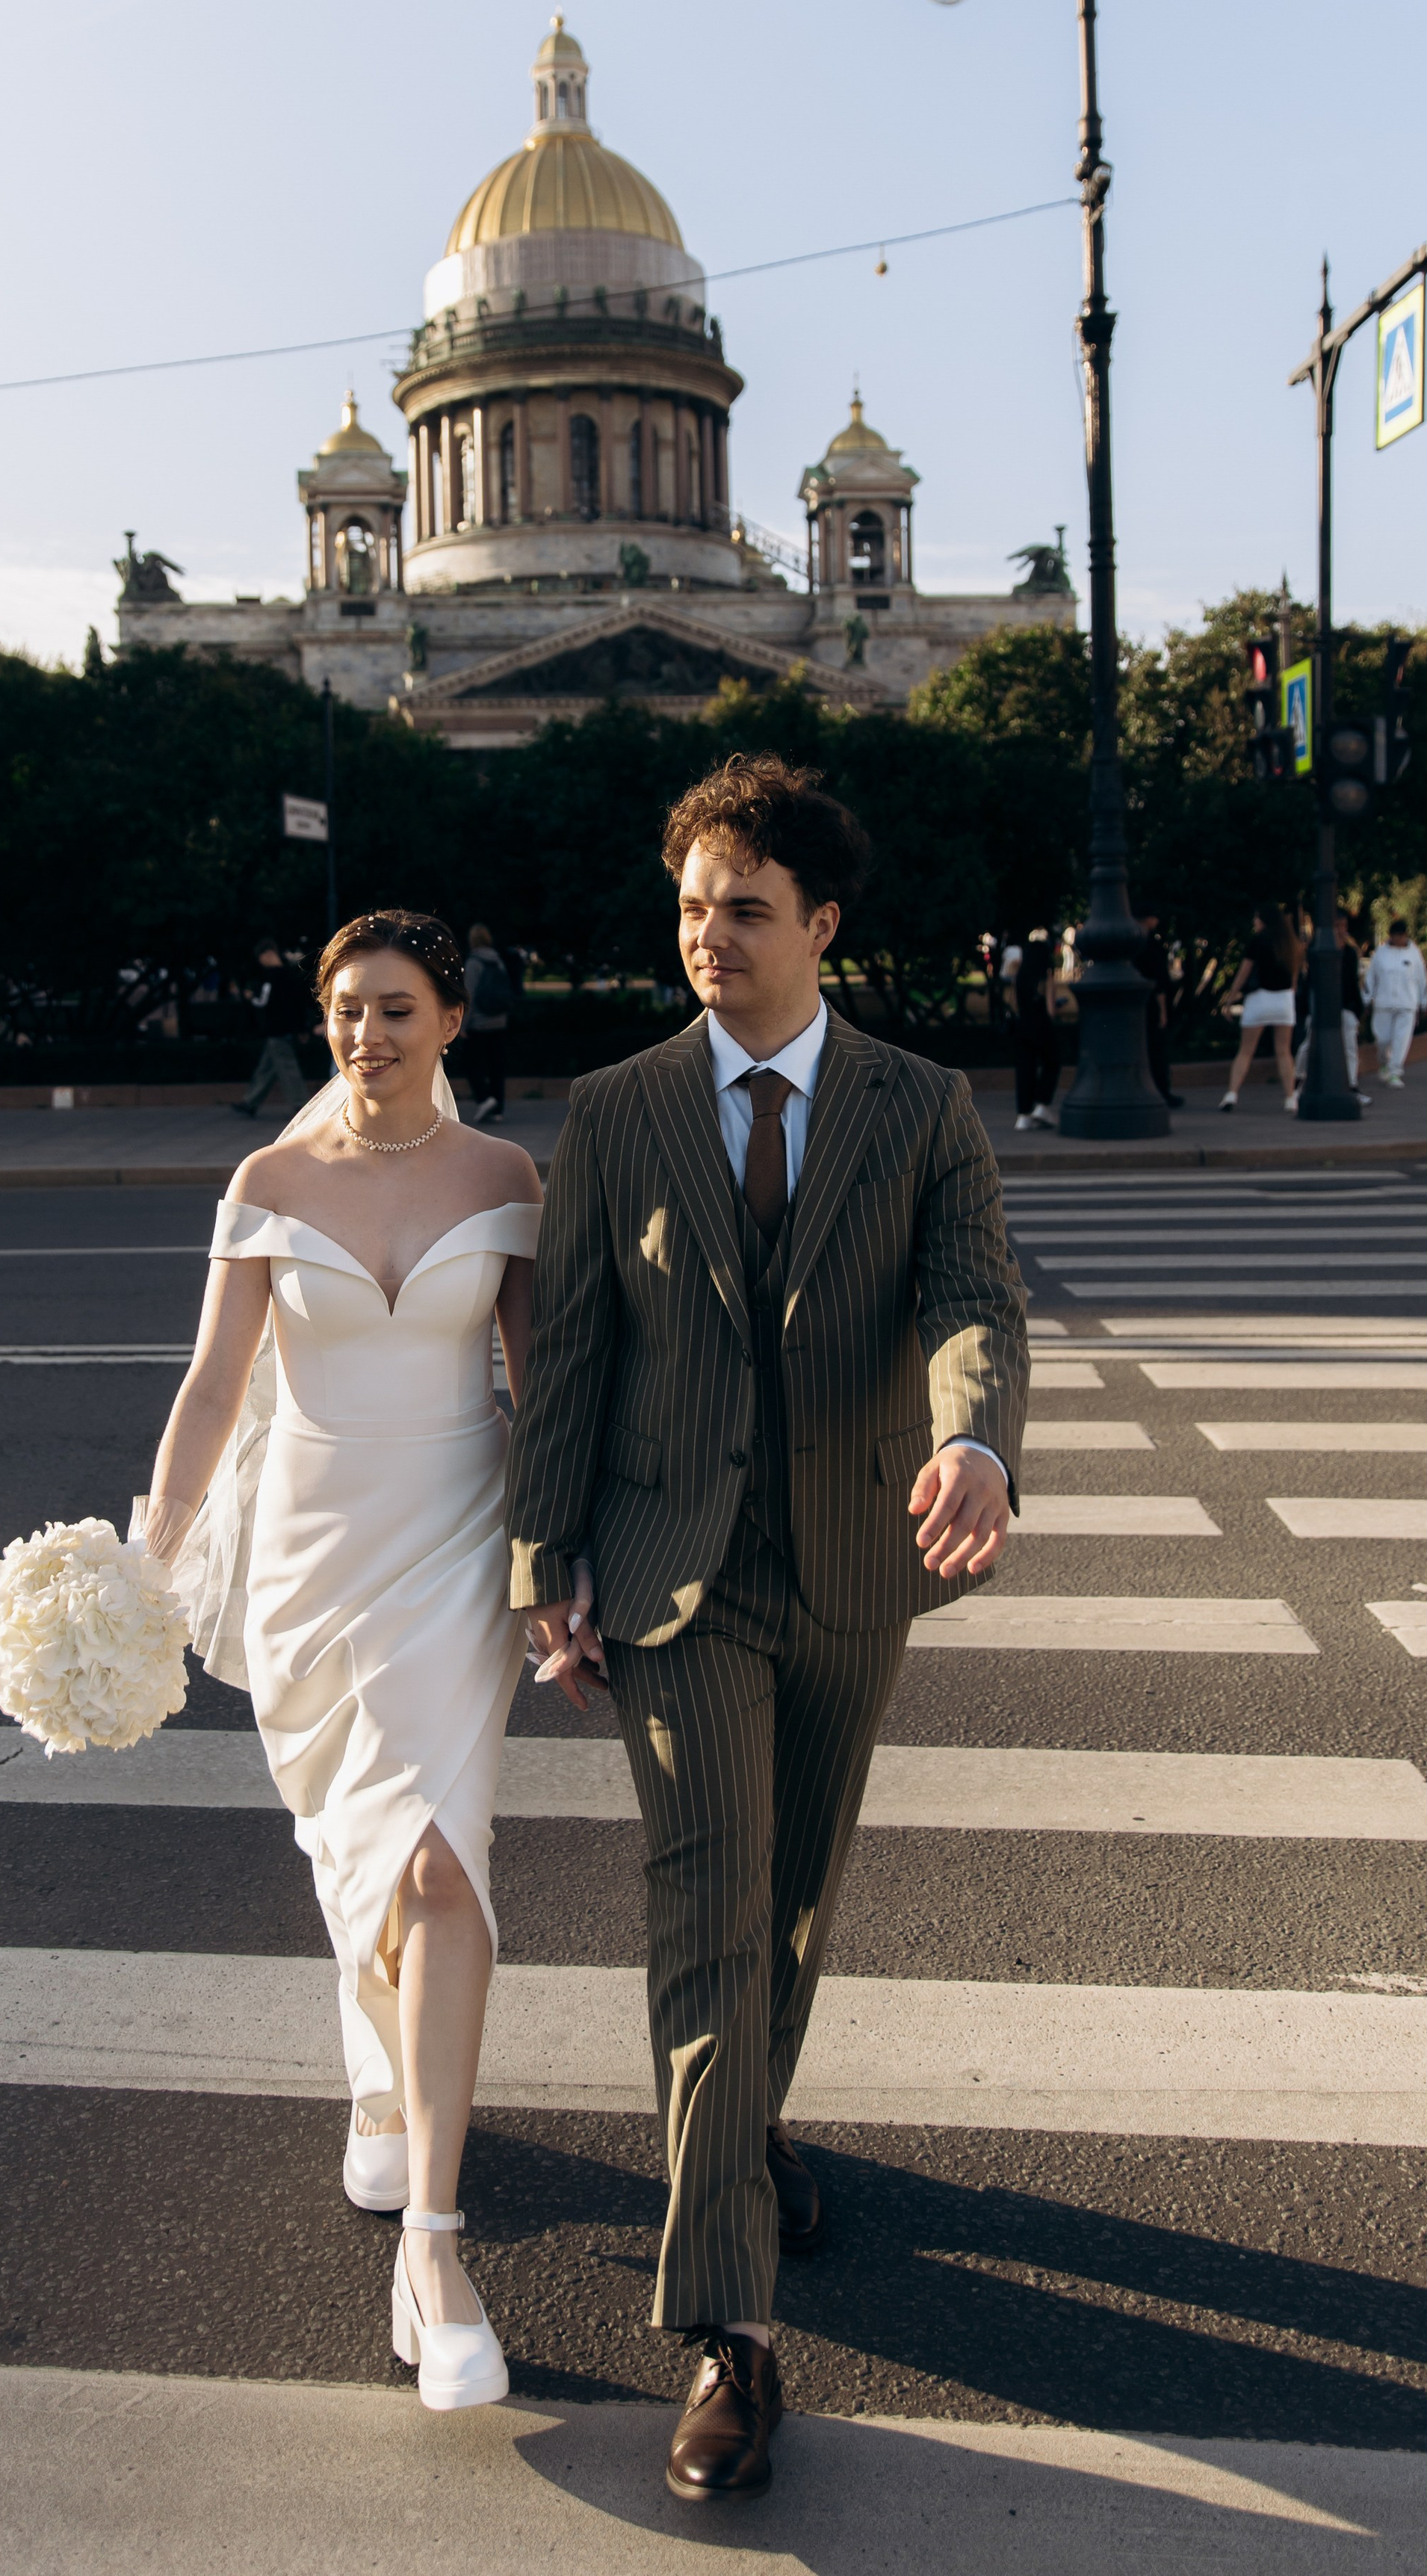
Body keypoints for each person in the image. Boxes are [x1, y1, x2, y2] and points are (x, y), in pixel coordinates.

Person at [504, 752, 1027, 2504]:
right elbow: (569, 1348)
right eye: (687, 907)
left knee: (796, 1894)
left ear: (818, 922)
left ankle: (745, 2129)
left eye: (741, 905)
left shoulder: (919, 1102)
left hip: (850, 1563)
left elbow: (967, 1294)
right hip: (676, 1573)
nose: (706, 934)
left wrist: (971, 1437)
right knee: (707, 1917)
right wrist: (541, 1564)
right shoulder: (624, 1102)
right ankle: (728, 2328)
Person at [145, 910, 542, 2414]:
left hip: (451, 1538)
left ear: (450, 1021)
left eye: (396, 1008)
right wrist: (151, 1548)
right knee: (352, 1852)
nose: (367, 1033)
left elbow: (538, 1376)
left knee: (440, 1858)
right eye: (346, 1009)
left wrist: (556, 1561)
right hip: (312, 1554)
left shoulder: (502, 1180)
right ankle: (381, 2079)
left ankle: (431, 2244)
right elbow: (209, 1389)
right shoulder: (268, 1182)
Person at [1218, 907, 1300, 1112]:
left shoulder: (1257, 941)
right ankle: (1290, 1098)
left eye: (1256, 918)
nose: (1254, 922)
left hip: (1259, 999)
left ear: (1264, 920)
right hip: (1284, 1000)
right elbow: (1294, 979)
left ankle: (1231, 1094)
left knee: (1245, 1051)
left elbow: (1244, 972)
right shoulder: (1291, 944)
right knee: (1284, 1052)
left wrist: (1229, 999)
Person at [1293, 909, 1372, 1109]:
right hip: (1320, 1007)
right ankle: (1298, 1080)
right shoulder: (1316, 950)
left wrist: (1356, 1008)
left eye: (1344, 926)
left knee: (1350, 1045)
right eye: (1337, 926)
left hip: (1344, 1006)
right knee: (1310, 1043)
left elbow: (1352, 983)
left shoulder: (1350, 952)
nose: (1341, 930)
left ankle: (1352, 1085)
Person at [231, 941, 315, 1119]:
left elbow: (263, 1002)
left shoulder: (271, 977)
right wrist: (302, 1027)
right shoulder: (291, 975)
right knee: (267, 1067)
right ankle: (250, 1102)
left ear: (268, 954)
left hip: (276, 1029)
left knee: (286, 1067)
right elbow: (299, 1004)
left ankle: (301, 1105)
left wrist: (250, 997)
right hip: (286, 1028)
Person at [1365, 917, 1427, 1088]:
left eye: (1401, 936)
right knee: (1383, 1040)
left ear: (1406, 935)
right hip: (1383, 1004)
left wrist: (1424, 1003)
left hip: (1407, 1005)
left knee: (1401, 1040)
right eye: (1395, 936)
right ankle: (1384, 1063)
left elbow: (1422, 979)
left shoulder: (1414, 953)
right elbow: (1371, 978)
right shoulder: (1381, 953)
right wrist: (1366, 999)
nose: (1398, 939)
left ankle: (1395, 1072)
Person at [461, 923, 513, 1124]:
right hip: (499, 1022)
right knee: (497, 1067)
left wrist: (463, 1026)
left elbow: (469, 996)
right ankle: (498, 1109)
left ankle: (484, 1098)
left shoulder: (474, 962)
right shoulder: (498, 961)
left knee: (472, 1064)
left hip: (479, 1024)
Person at [1011, 926, 1061, 1131]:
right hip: (1042, 1025)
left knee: (1025, 1070)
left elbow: (1014, 1004)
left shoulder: (1020, 976)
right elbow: (1051, 1009)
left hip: (1023, 1026)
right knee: (1052, 1062)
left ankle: (1023, 1116)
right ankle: (1042, 1103)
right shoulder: (1046, 977)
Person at [1134, 913, 1183, 1108]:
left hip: (1135, 1002)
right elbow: (1160, 982)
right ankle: (1161, 1090)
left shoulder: (1131, 944)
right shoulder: (1152, 946)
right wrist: (1163, 1011)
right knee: (1157, 1050)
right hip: (1151, 1003)